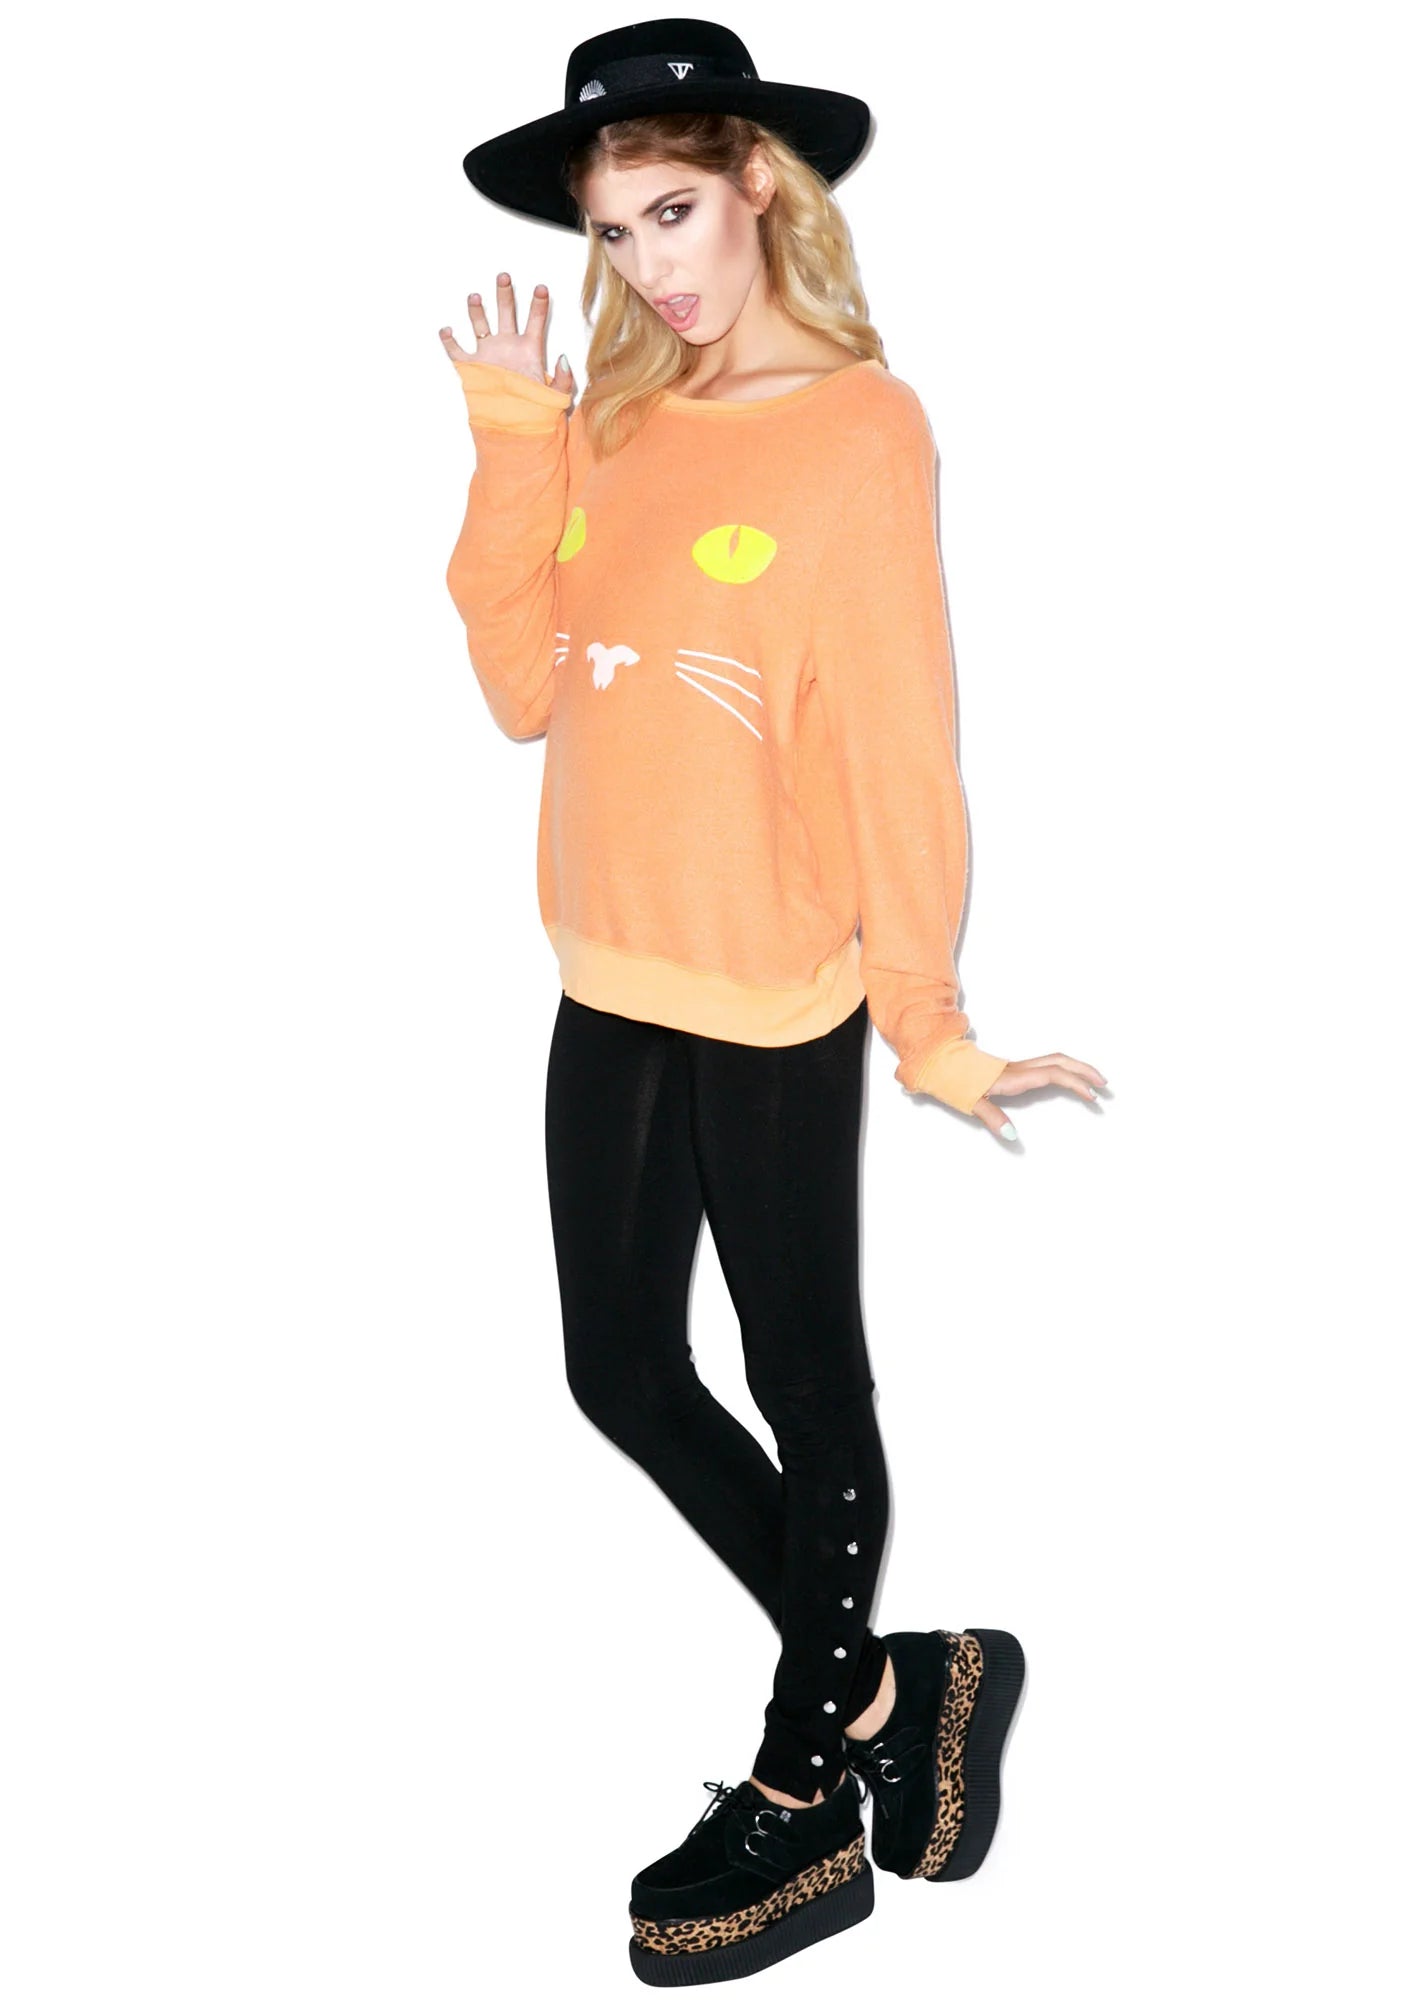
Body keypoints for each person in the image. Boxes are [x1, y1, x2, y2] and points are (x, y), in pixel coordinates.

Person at [439, 19, 1105, 1985]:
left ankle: (805, 1783)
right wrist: (514, 446)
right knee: (620, 1373)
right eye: (610, 229)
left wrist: (927, 1013)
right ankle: (907, 1691)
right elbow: (523, 686)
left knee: (808, 1385)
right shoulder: (617, 419)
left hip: (771, 983)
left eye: (672, 212)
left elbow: (898, 737)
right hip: (605, 966)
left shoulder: (860, 430)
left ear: (756, 187)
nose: (646, 265)